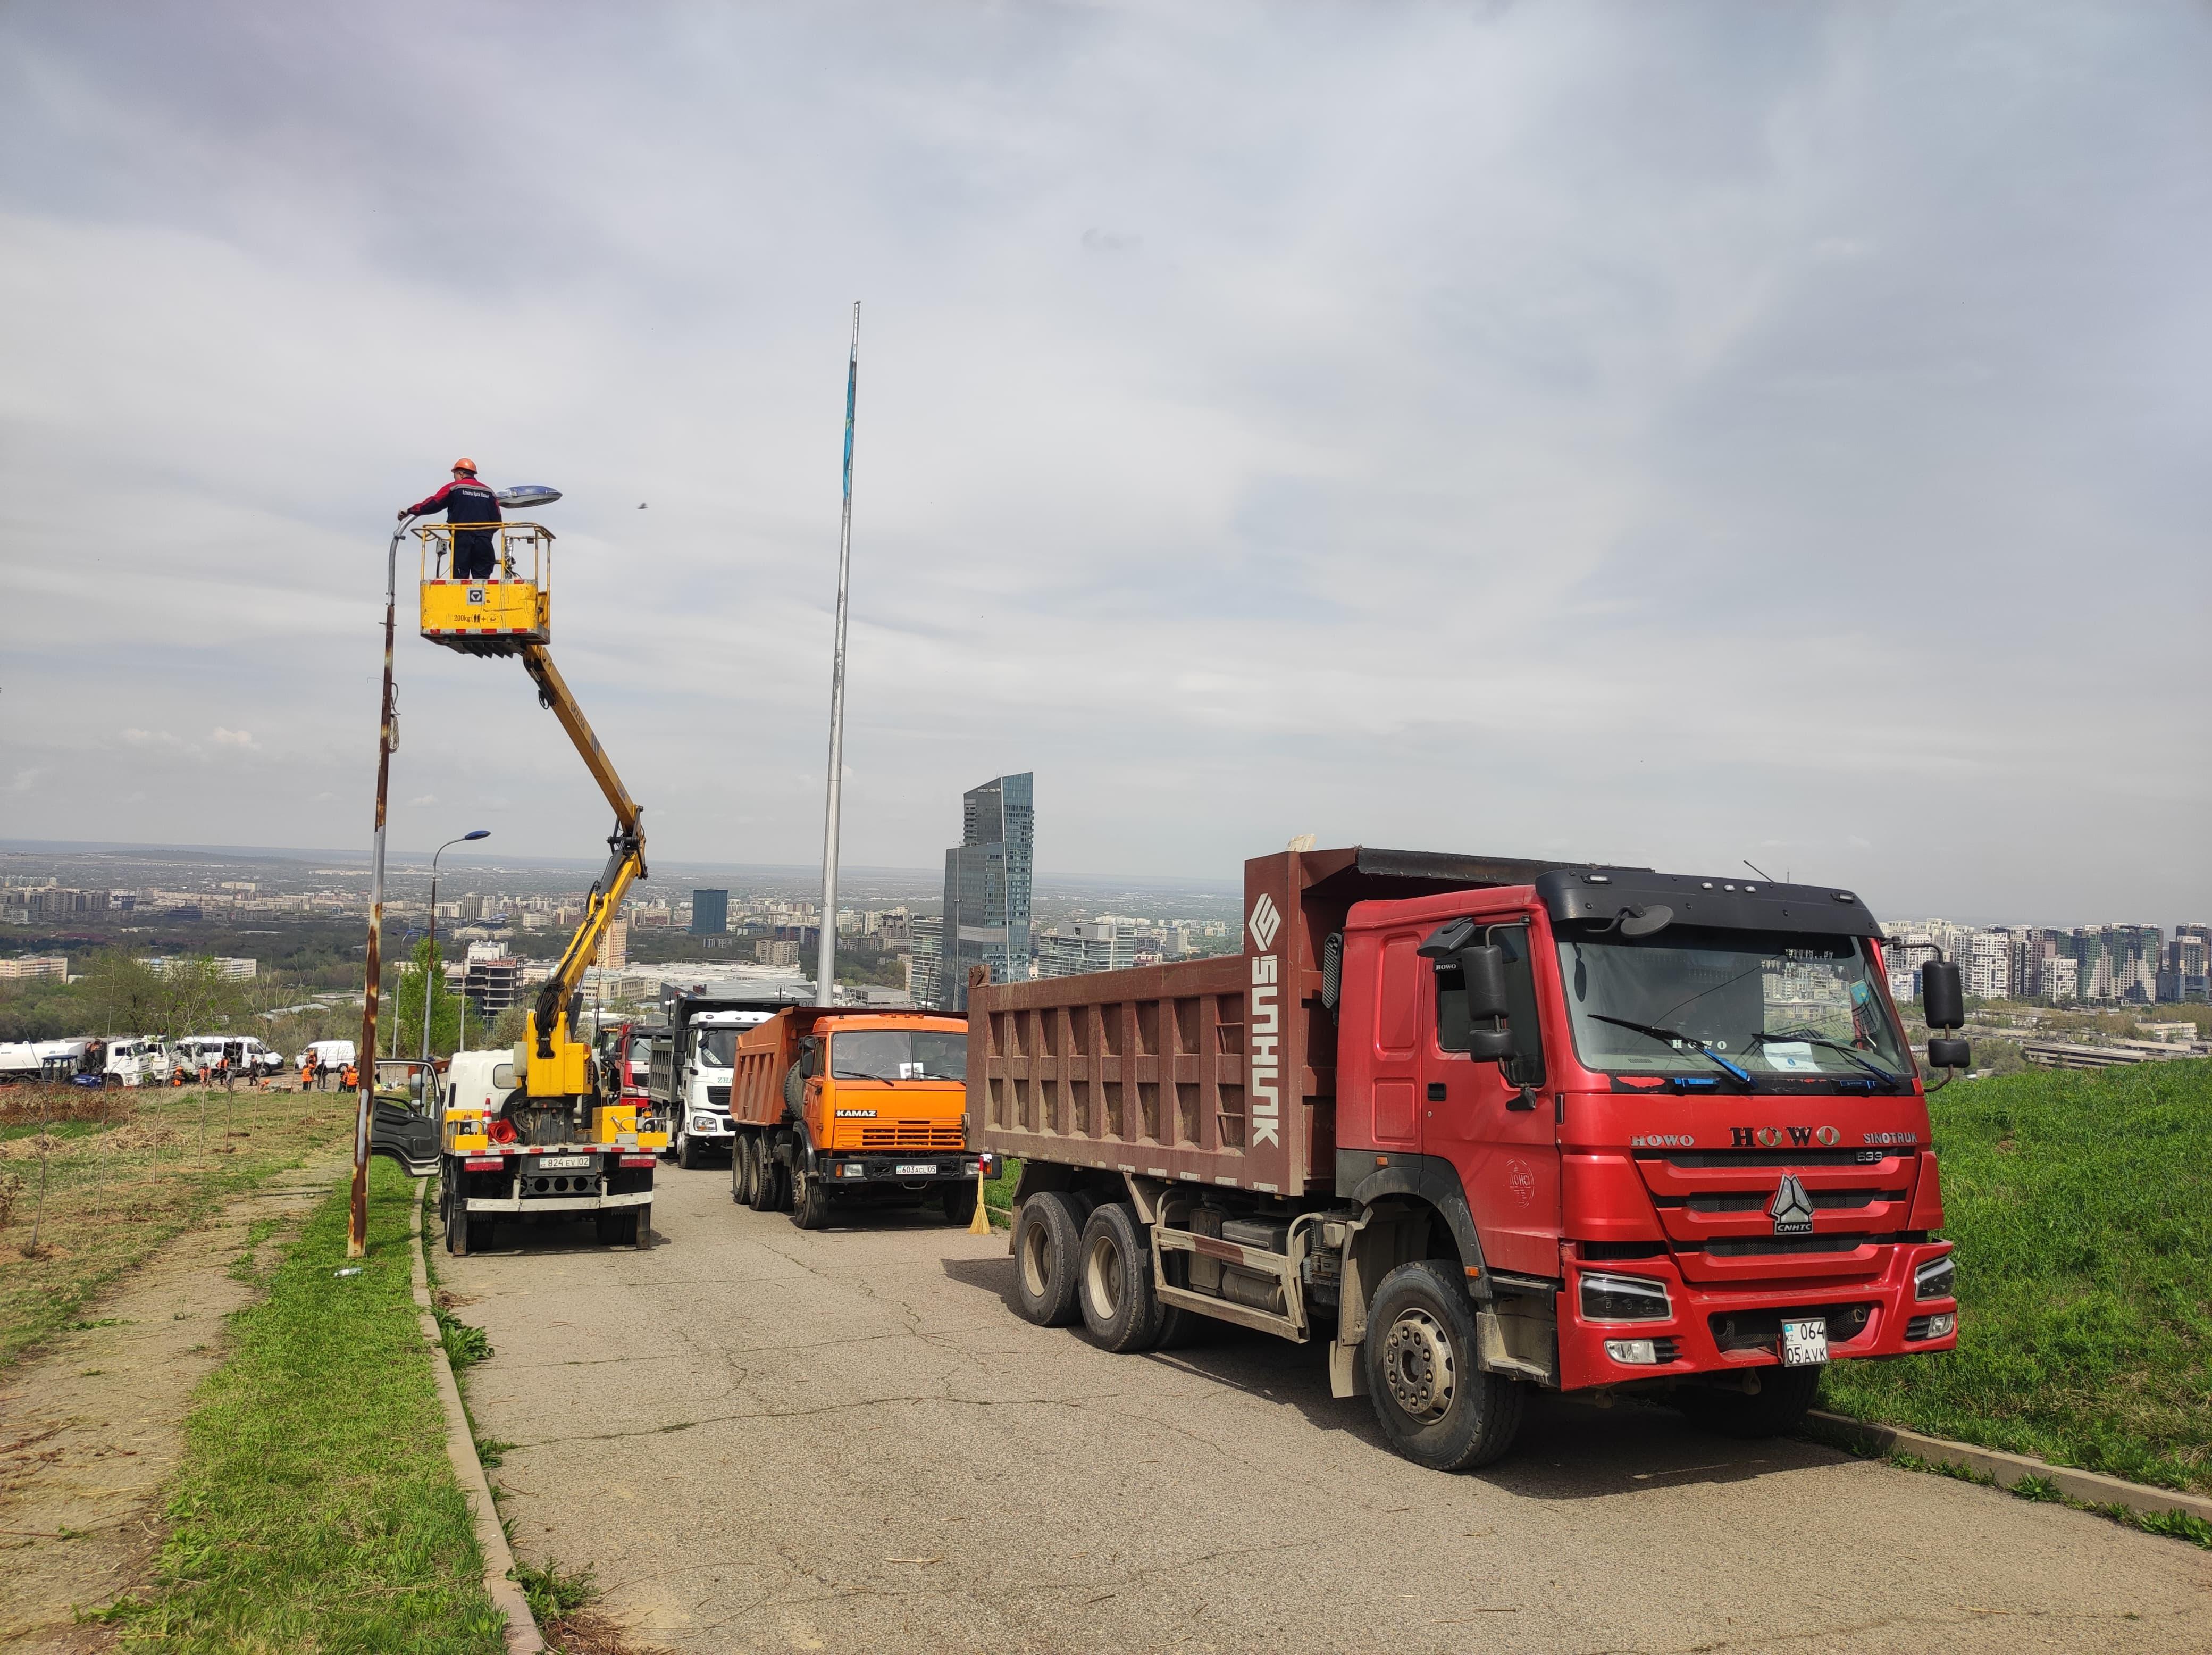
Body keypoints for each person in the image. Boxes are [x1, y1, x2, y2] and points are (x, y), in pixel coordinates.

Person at [400, 458, 503, 580]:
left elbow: (432, 503)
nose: (454, 478)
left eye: (454, 475)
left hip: (461, 539)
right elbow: (497, 520)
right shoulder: (489, 492)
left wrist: (410, 511)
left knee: (460, 579)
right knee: (482, 580)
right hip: (484, 541)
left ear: (460, 473)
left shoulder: (454, 487)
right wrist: (485, 534)